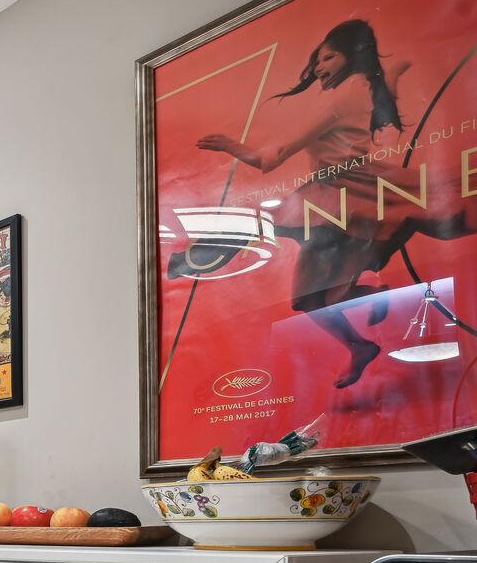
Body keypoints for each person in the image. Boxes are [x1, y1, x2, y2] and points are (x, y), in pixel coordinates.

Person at [192, 19, 477, 388]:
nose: (319, 68)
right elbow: (383, 87)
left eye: (329, 58)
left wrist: (232, 146)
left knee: (309, 288)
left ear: (353, 55)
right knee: (308, 300)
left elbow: (274, 156)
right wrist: (395, 72)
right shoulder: (359, 87)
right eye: (318, 60)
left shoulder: (345, 96)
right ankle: (363, 337)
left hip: (348, 196)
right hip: (333, 197)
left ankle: (374, 303)